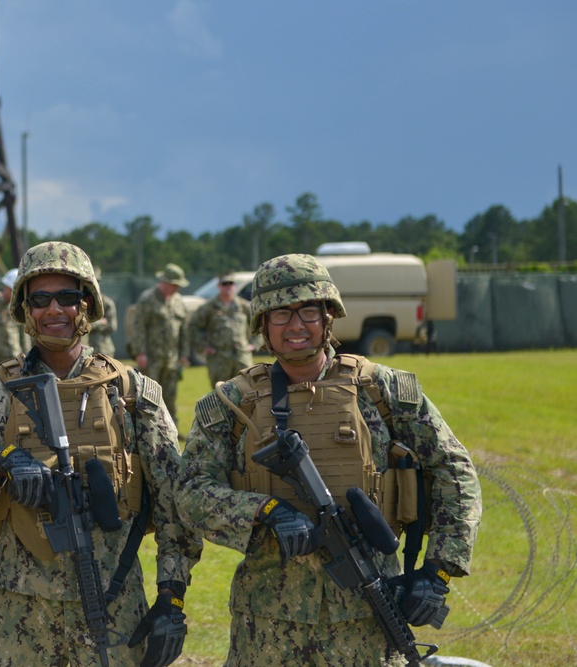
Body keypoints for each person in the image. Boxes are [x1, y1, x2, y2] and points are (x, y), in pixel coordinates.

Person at [176, 253, 481, 666]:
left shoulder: (382, 390)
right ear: (263, 324)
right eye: (280, 313)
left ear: (328, 317)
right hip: (267, 624)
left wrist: (438, 572)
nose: (296, 325)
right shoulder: (234, 402)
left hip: (367, 618)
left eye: (307, 310)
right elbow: (190, 490)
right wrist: (265, 510)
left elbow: (454, 471)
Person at [0, 242, 201, 667]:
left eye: (68, 297)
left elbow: (177, 507)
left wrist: (172, 596)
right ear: (25, 309)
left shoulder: (132, 394)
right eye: (40, 299)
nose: (55, 310)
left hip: (113, 603)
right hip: (18, 613)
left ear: (87, 305)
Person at [128, 263, 191, 430]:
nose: (177, 288)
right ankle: (148, 430)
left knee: (170, 397)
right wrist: (140, 353)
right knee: (149, 396)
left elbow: (183, 328)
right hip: (152, 358)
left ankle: (171, 430)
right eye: (175, 285)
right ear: (164, 282)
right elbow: (138, 327)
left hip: (172, 359)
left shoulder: (178, 301)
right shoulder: (148, 299)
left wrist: (184, 354)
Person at [188, 272, 259, 388]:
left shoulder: (243, 306)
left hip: (241, 357)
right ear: (219, 286)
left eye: (230, 284)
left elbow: (260, 324)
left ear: (234, 286)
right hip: (219, 358)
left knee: (246, 391)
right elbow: (193, 327)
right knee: (220, 394)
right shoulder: (209, 307)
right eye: (224, 284)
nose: (228, 287)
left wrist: (254, 344)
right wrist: (203, 347)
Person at [87, 266, 118, 357]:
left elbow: (112, 326)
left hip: (104, 351)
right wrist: (99, 322)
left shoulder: (106, 303)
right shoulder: (78, 301)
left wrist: (91, 325)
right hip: (83, 351)